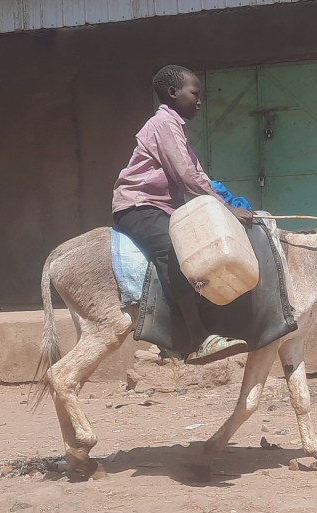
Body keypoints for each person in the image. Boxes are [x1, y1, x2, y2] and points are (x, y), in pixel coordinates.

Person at [112, 64, 252, 365]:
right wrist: (226, 209)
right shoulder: (163, 124)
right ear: (173, 93)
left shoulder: (175, 128)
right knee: (175, 254)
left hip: (160, 207)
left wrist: (224, 201)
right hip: (139, 206)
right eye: (195, 93)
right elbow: (187, 177)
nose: (199, 101)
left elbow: (198, 175)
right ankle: (197, 337)